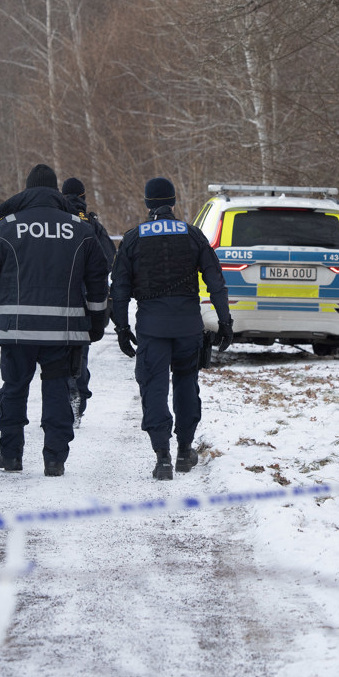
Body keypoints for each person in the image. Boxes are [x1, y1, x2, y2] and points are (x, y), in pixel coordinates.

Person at [0, 164, 110, 476]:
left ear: (27, 189)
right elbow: (99, 278)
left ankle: (11, 456)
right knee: (58, 391)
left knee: (14, 388)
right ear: (55, 190)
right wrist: (98, 320)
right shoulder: (80, 228)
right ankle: (55, 459)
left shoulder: (5, 228)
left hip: (15, 330)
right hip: (63, 331)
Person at [111, 177, 233, 480]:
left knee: (153, 387)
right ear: (174, 202)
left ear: (147, 203)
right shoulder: (193, 235)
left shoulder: (133, 238)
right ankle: (184, 450)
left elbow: (119, 290)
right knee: (186, 384)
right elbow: (216, 282)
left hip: (152, 329)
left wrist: (122, 328)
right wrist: (225, 322)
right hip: (188, 327)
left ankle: (162, 456)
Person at [61, 176, 116, 425]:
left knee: (55, 355)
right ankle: (78, 399)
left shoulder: (57, 223)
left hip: (58, 297)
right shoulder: (92, 225)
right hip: (86, 301)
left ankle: (62, 399)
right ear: (83, 198)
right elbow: (109, 259)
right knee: (79, 353)